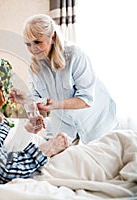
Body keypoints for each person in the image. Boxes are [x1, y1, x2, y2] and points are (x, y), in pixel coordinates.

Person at [9, 14, 120, 144]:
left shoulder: (75, 55)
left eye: (37, 42)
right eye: (28, 44)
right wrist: (26, 99)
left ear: (53, 37)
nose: (32, 49)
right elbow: (38, 98)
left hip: (96, 125)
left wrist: (56, 105)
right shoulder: (34, 66)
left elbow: (86, 99)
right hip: (66, 130)